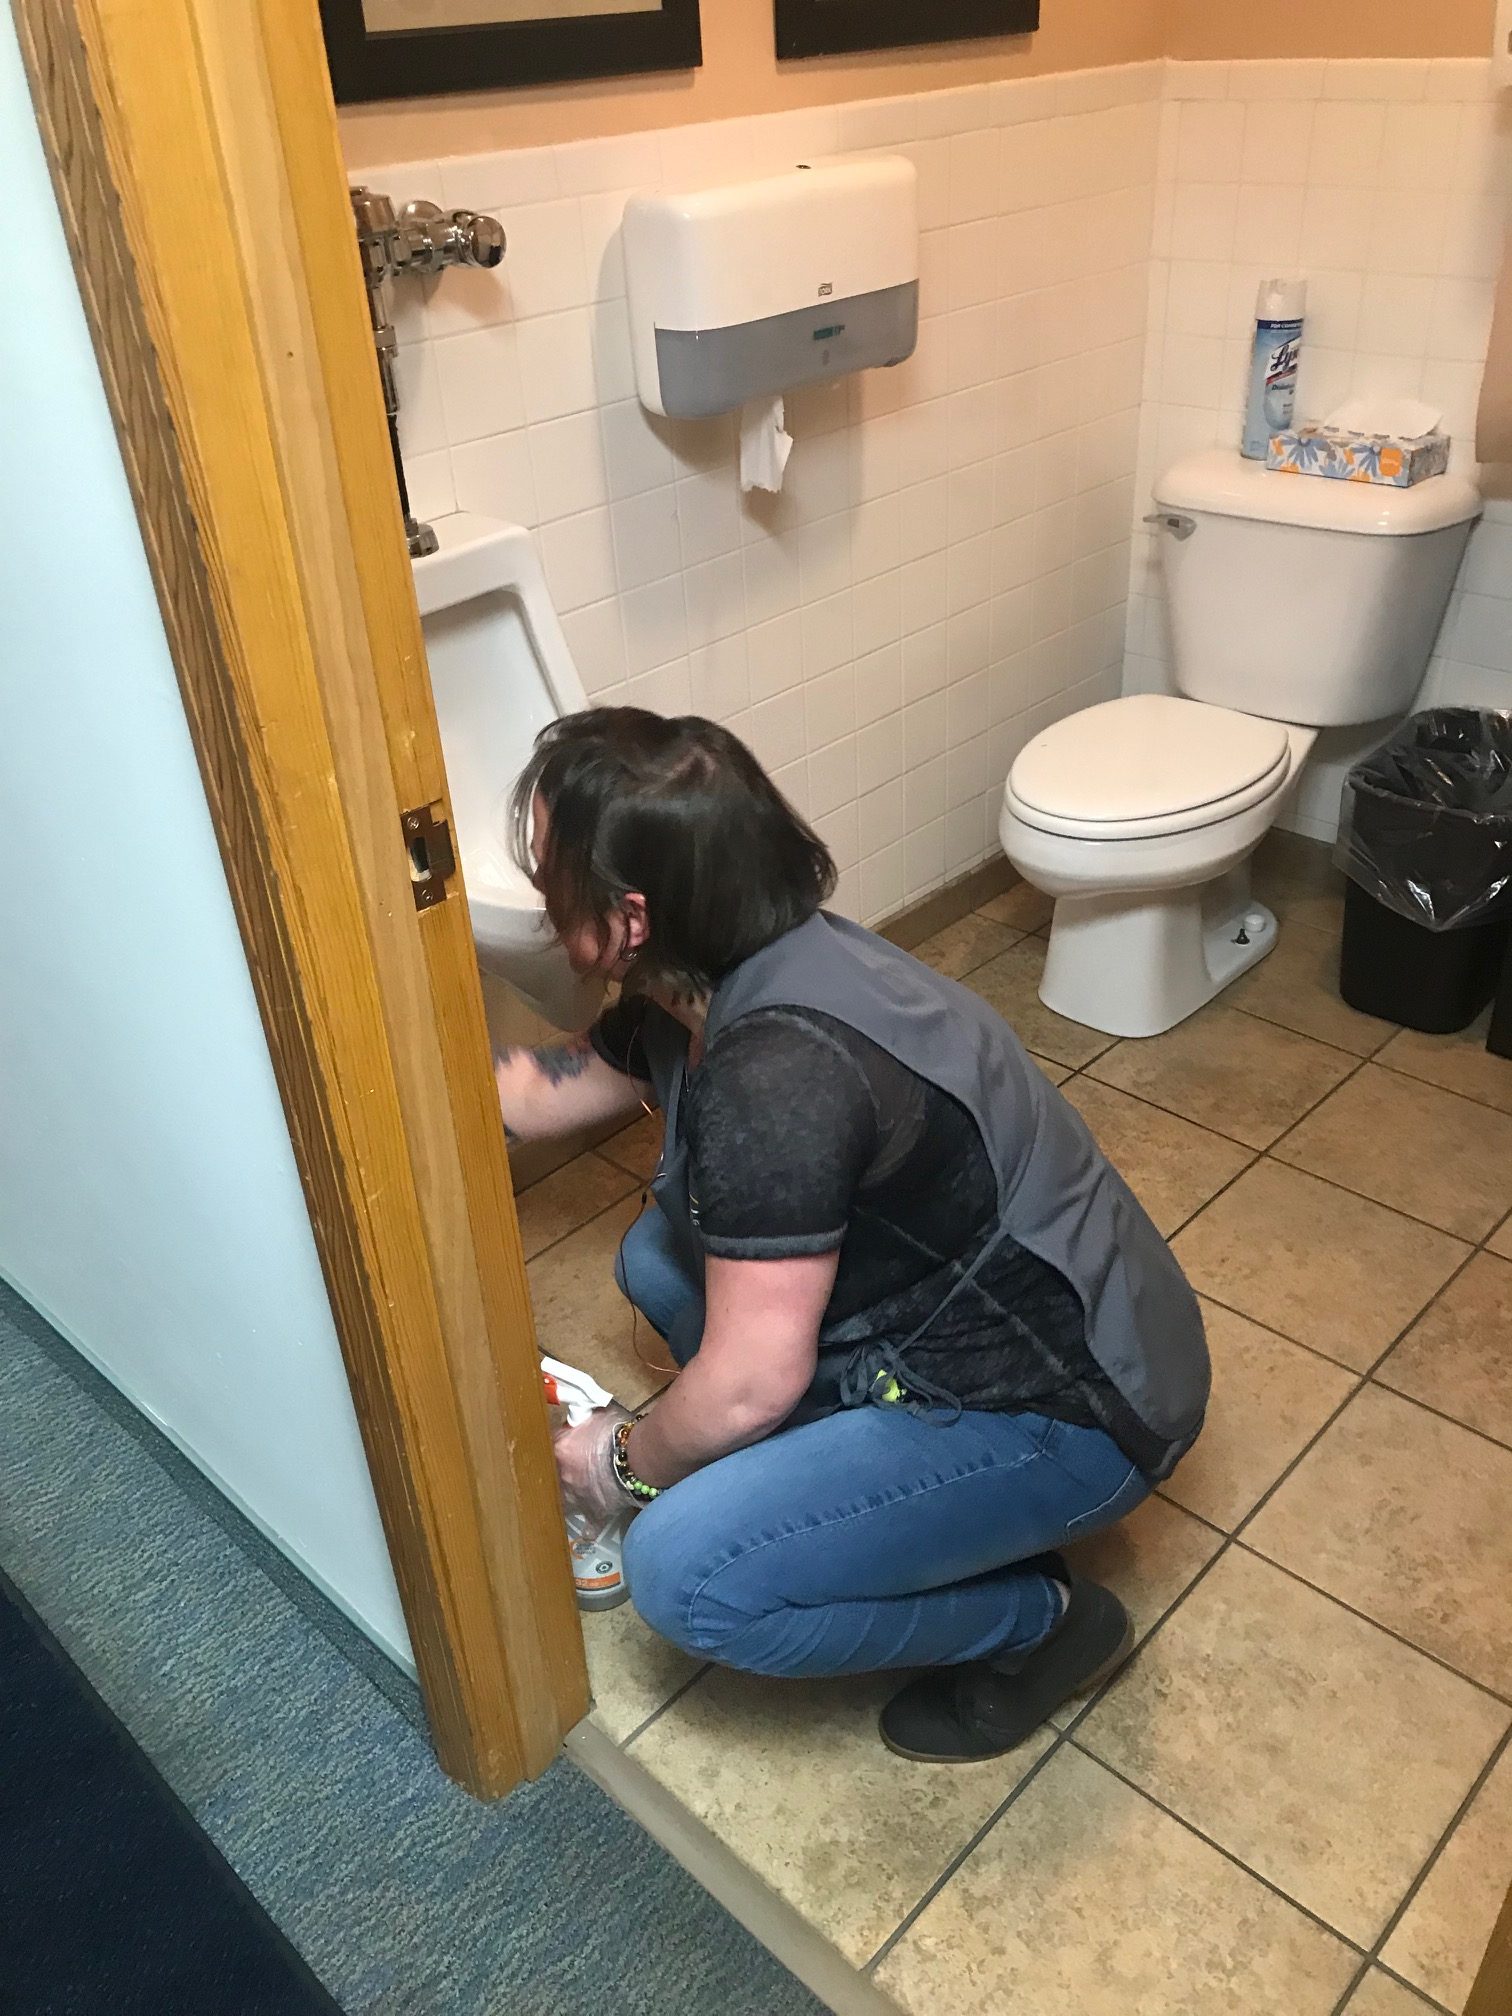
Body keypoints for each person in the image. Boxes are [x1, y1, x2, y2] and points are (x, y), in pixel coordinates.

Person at [494, 708, 1209, 1763]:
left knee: (685, 1574)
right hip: (1018, 1320)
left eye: (551, 880)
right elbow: (543, 1088)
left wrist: (621, 1466)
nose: (541, 902)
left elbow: (749, 1384)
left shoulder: (781, 1076)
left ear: (631, 919)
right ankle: (851, 1504)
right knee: (657, 1259)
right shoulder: (735, 971)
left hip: (1075, 1411)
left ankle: (1042, 1624)